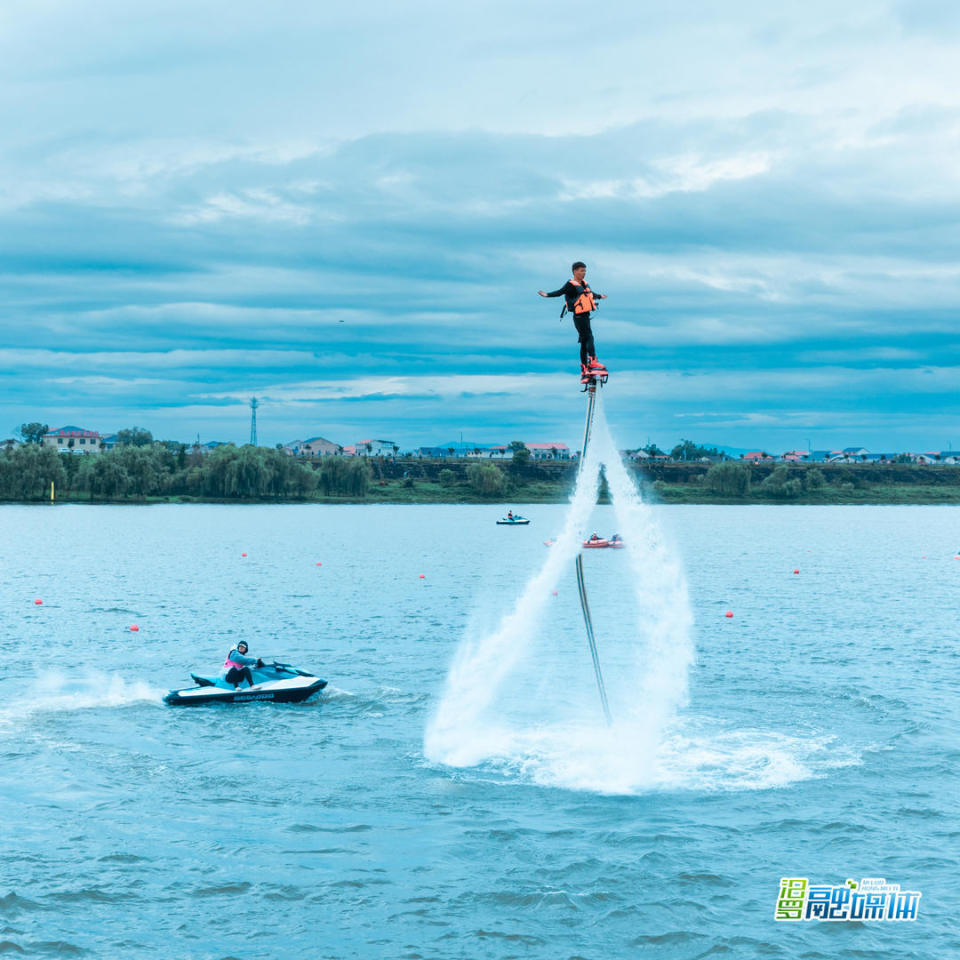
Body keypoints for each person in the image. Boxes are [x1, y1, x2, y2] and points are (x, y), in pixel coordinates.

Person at [538, 261, 608, 374]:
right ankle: (593, 360)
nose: (584, 273)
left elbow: (590, 294)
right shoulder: (571, 284)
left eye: (585, 270)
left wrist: (599, 296)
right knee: (589, 337)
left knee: (584, 341)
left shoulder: (584, 284)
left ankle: (584, 367)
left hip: (585, 315)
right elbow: (560, 292)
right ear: (575, 271)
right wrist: (547, 295)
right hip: (579, 317)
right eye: (581, 271)